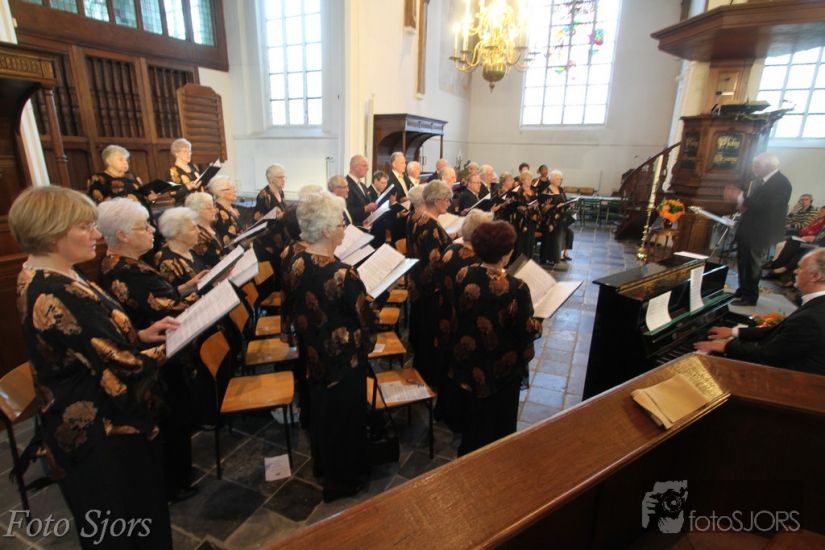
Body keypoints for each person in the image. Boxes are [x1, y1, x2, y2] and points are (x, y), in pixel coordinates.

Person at [9, 186, 177, 549]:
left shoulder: (57, 272)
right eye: (85, 227)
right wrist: (179, 341)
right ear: (51, 232)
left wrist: (139, 334)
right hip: (97, 429)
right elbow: (123, 364)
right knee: (127, 522)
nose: (97, 235)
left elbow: (88, 339)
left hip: (92, 409)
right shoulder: (54, 289)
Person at [96, 198, 201, 503]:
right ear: (123, 235)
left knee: (176, 418)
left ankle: (178, 475)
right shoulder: (128, 270)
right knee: (173, 418)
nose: (153, 231)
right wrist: (208, 292)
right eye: (144, 227)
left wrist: (186, 287)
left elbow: (158, 298)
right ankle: (175, 483)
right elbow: (165, 310)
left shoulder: (123, 263)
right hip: (156, 359)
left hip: (154, 347)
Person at [283, 192, 378, 502]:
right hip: (343, 359)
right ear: (326, 230)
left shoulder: (296, 260)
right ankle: (344, 480)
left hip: (314, 354)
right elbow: (365, 317)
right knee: (346, 417)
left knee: (325, 412)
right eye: (340, 224)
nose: (344, 229)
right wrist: (375, 305)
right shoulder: (342, 273)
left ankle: (324, 465)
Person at [452, 221, 542, 455]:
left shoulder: (464, 274)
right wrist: (538, 323)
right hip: (500, 366)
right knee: (500, 420)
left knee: (475, 416)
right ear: (506, 253)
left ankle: (471, 453)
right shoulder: (516, 287)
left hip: (471, 357)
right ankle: (495, 458)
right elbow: (525, 330)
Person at [694, 248, 825, 375]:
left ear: (815, 276)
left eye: (800, 268)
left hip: (788, 380)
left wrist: (724, 346)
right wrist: (734, 332)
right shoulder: (817, 304)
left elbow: (768, 355)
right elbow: (779, 332)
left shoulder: (811, 318)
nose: (795, 271)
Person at [436, 209, 493, 432]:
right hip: (464, 326)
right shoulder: (476, 262)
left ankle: (445, 409)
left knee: (448, 368)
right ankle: (460, 416)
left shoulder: (451, 249)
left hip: (445, 318)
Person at [728, 152, 792, 306]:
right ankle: (743, 289)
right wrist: (743, 205)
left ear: (768, 166)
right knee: (743, 261)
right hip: (749, 229)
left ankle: (750, 297)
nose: (754, 168)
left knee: (752, 264)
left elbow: (767, 207)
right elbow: (754, 203)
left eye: (756, 165)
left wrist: (740, 197)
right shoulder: (761, 181)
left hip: (761, 231)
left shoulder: (781, 183)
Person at [407, 180, 453, 387]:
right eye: (446, 199)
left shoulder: (417, 217)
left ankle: (421, 370)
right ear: (436, 201)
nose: (449, 203)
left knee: (421, 329)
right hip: (430, 288)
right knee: (429, 333)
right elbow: (435, 262)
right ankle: (429, 377)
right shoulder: (432, 225)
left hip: (417, 282)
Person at [764, 206, 825, 284]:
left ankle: (782, 269)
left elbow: (821, 241)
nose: (820, 212)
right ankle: (777, 265)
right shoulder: (820, 222)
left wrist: (814, 239)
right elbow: (817, 234)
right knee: (792, 241)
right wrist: (813, 237)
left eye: (822, 211)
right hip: (813, 243)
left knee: (808, 250)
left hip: (818, 246)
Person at [86, 144, 156, 208]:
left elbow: (146, 199)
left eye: (126, 160)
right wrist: (125, 198)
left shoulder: (131, 176)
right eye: (121, 159)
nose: (125, 162)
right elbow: (97, 204)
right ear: (109, 161)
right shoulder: (97, 178)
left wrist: (151, 199)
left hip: (142, 215)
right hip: (117, 216)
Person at [154, 207, 207, 288]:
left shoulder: (190, 248)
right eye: (193, 229)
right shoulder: (167, 263)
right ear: (177, 234)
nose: (198, 231)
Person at [186, 191, 224, 268]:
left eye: (213, 206)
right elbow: (214, 263)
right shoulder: (197, 237)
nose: (214, 210)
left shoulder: (213, 225)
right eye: (209, 208)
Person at [512, 170, 541, 263]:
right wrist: (527, 210)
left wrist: (536, 211)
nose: (529, 181)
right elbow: (517, 207)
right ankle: (518, 263)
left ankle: (528, 262)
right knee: (521, 242)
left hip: (532, 221)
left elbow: (537, 205)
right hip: (522, 221)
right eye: (527, 179)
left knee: (530, 242)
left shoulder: (534, 191)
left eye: (530, 179)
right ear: (522, 180)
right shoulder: (518, 192)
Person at [208, 175, 243, 247]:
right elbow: (228, 240)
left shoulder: (232, 207)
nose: (235, 190)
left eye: (234, 187)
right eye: (230, 188)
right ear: (220, 193)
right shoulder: (217, 212)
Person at [345, 155, 377, 226]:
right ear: (355, 166)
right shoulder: (346, 184)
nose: (368, 169)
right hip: (355, 227)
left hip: (366, 226)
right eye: (364, 165)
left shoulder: (362, 185)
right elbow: (346, 210)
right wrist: (365, 209)